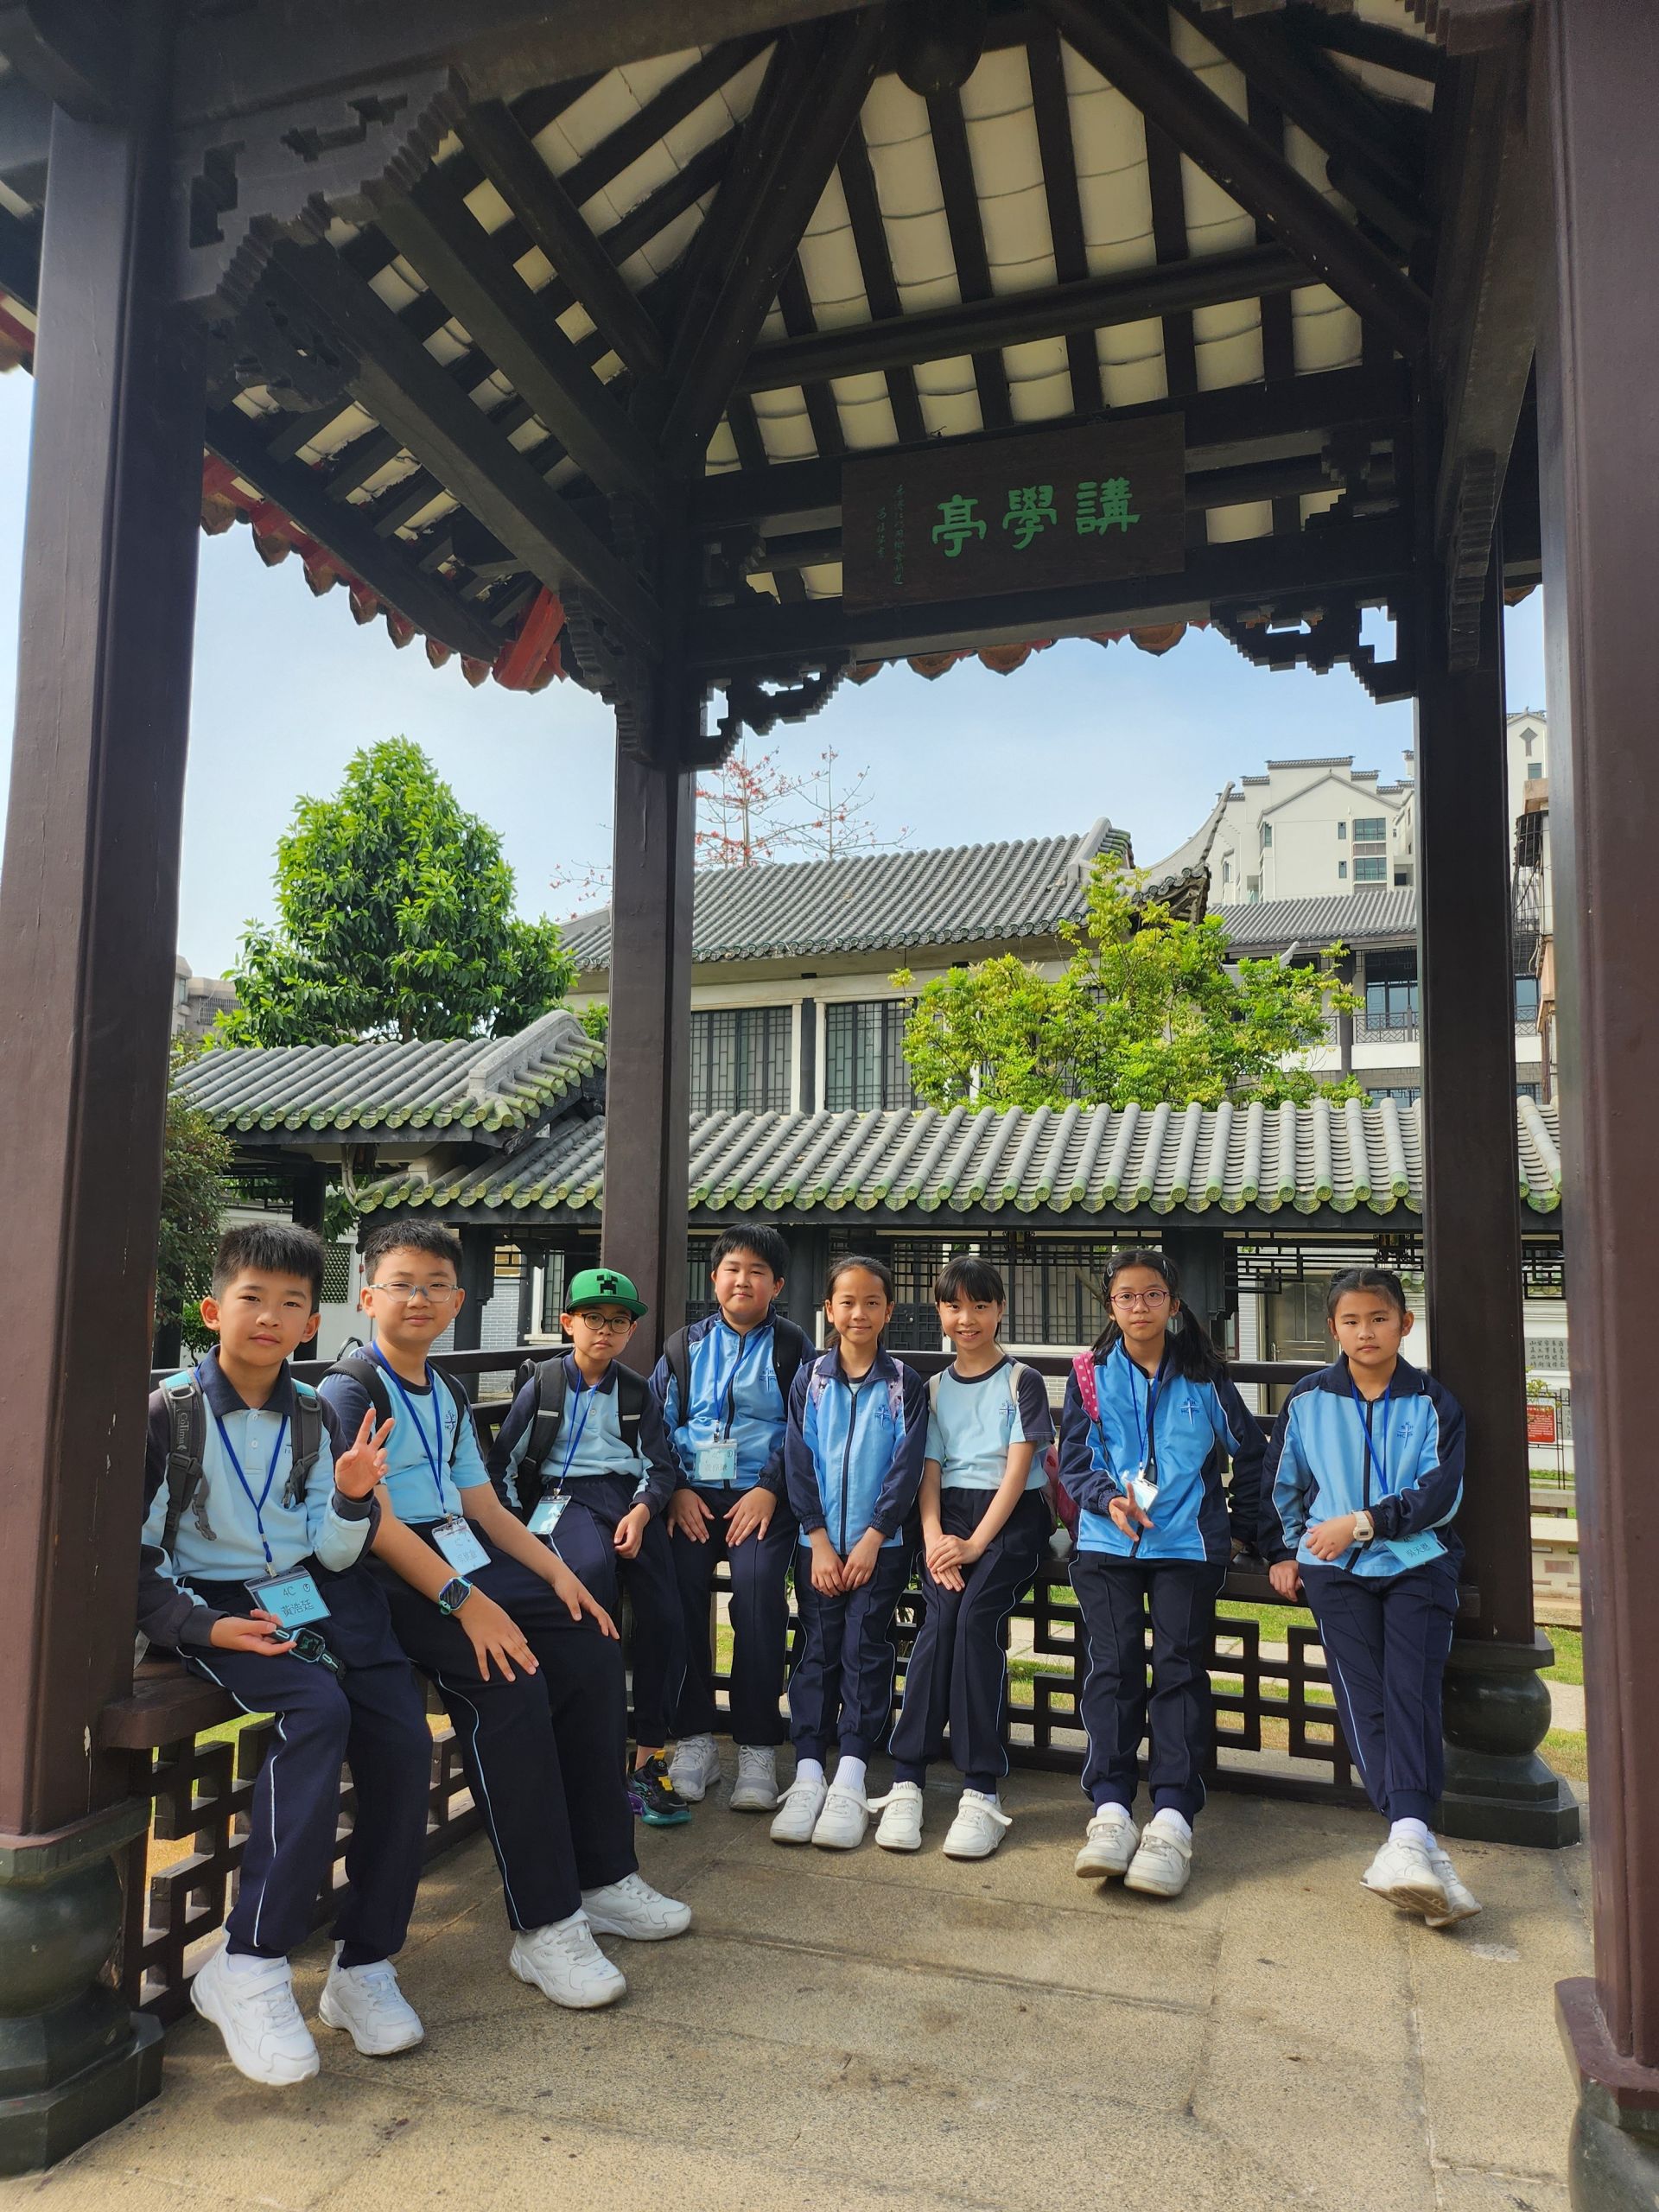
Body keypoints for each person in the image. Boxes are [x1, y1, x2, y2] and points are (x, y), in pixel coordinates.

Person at [321, 1222, 690, 2015]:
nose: (418, 1299)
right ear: (368, 1296)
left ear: (458, 1301)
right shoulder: (353, 1389)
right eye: (401, 1284)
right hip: (391, 1574)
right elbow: (375, 1525)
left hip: (462, 1552)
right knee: (511, 1680)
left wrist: (560, 1576)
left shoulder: (445, 1389)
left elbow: (485, 1507)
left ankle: (603, 1876)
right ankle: (545, 1922)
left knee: (592, 1642)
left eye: (435, 1286)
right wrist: (470, 1602)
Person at [138, 1222, 430, 2086]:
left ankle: (365, 1961)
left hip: (305, 1591)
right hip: (211, 1600)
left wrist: (351, 1498)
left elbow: (331, 1550)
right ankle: (251, 1957)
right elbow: (133, 1556)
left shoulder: (313, 1413)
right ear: (212, 1310)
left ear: (311, 1323)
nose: (269, 1316)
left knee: (403, 1735)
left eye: (291, 1303)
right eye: (252, 1297)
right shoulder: (169, 1414)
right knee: (318, 1709)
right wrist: (201, 1627)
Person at [1261, 1268, 1480, 1927]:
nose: (1366, 1332)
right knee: (1364, 1697)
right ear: (1333, 1328)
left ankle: (1406, 1840)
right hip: (1334, 1571)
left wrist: (1363, 1523)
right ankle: (1416, 1843)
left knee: (1412, 1688)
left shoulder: (1433, 1403)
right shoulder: (1308, 1399)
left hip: (1416, 1562)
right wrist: (1283, 1550)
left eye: (1379, 1319)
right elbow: (1280, 1482)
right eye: (1352, 1321)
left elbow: (1440, 1496)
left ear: (1404, 1325)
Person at [1058, 1247, 1263, 1901]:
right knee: (1113, 1667)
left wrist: (1243, 1531)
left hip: (1185, 1547)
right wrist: (1105, 1499)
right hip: (1106, 1543)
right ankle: (1111, 1810)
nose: (1139, 1307)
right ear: (1110, 1306)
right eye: (1126, 1296)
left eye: (1152, 1295)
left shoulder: (1205, 1375)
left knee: (1178, 1669)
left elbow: (1250, 1452)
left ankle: (1173, 1818)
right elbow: (1074, 1460)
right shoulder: (1089, 1375)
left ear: (1173, 1304)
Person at [487, 1266, 690, 1827]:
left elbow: (660, 1467)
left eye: (618, 1321)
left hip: (628, 1499)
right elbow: (502, 1465)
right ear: (568, 1322)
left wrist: (642, 1512)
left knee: (664, 1613)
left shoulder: (636, 1391)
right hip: (564, 1500)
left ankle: (648, 1757)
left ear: (630, 1331)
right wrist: (515, 1535)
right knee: (591, 1587)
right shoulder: (544, 1385)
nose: (605, 1330)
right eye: (593, 1318)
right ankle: (590, 1751)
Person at [873, 1256, 1053, 1860]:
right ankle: (908, 1778)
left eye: (980, 1305)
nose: (967, 1318)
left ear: (1000, 1309)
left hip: (1009, 1519)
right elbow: (929, 1470)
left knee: (975, 1620)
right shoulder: (933, 1388)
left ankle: (981, 1789)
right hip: (947, 1520)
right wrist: (933, 1538)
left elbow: (1018, 1472)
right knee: (939, 1622)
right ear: (939, 1312)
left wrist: (976, 1545)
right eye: (954, 1306)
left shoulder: (1022, 1381)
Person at [653, 1227, 814, 1815]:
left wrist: (770, 1489)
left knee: (758, 1593)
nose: (743, 1280)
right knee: (676, 1592)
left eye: (757, 1271)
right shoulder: (683, 1347)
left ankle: (756, 1744)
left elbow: (804, 1426)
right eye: (732, 1269)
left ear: (777, 1284)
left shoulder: (793, 1348)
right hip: (692, 1497)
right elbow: (657, 1424)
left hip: (762, 1498)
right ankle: (694, 1738)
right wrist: (676, 1490)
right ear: (715, 1277)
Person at [771, 1255, 927, 1852]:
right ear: (829, 1310)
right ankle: (810, 1770)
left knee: (864, 1647)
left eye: (871, 1302)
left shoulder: (903, 1384)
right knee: (815, 1647)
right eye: (847, 1302)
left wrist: (872, 1537)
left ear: (889, 1311)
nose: (859, 1313)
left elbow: (906, 1468)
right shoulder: (811, 1380)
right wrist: (816, 1538)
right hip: (818, 1548)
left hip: (879, 1549)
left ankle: (852, 1774)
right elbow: (798, 1459)